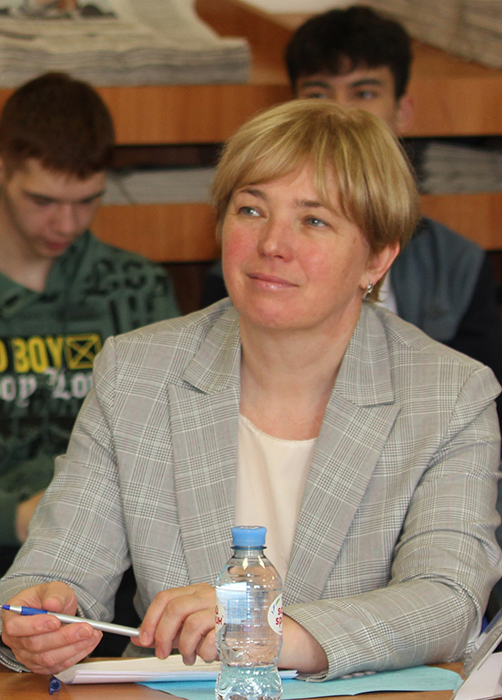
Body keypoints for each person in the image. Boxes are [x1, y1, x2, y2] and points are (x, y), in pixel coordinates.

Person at [0, 99, 500, 680]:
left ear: (378, 258)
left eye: (314, 221)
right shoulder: (137, 372)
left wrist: (266, 630)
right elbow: (55, 569)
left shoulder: (448, 394)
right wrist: (37, 619)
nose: (272, 244)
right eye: (251, 210)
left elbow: (448, 600)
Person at [202, 5, 502, 427]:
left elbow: (479, 411)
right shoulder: (243, 268)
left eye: (364, 94)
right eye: (318, 95)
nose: (340, 112)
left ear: (403, 111)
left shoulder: (458, 265)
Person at [0, 71, 179, 572]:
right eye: (42, 201)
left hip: (106, 555)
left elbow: (171, 444)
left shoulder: (137, 289)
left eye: (87, 200)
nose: (67, 224)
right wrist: (14, 518)